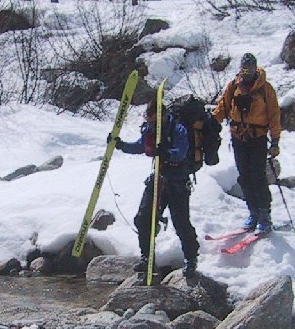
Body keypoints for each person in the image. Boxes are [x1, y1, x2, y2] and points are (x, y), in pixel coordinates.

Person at [114, 96, 200, 278]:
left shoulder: (178, 129)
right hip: (158, 178)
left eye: (154, 121)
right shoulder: (150, 130)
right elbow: (141, 146)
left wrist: (167, 153)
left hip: (177, 181)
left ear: (163, 116)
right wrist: (120, 145)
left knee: (181, 223)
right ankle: (146, 257)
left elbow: (181, 152)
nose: (151, 124)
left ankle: (191, 258)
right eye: (149, 120)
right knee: (143, 218)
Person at [212, 52, 282, 234]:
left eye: (250, 67)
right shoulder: (233, 86)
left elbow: (274, 115)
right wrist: (208, 123)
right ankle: (253, 212)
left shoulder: (265, 89)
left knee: (258, 176)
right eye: (244, 67)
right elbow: (223, 108)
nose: (247, 71)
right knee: (244, 177)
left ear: (255, 67)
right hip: (238, 138)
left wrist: (275, 141)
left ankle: (265, 214)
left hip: (257, 138)